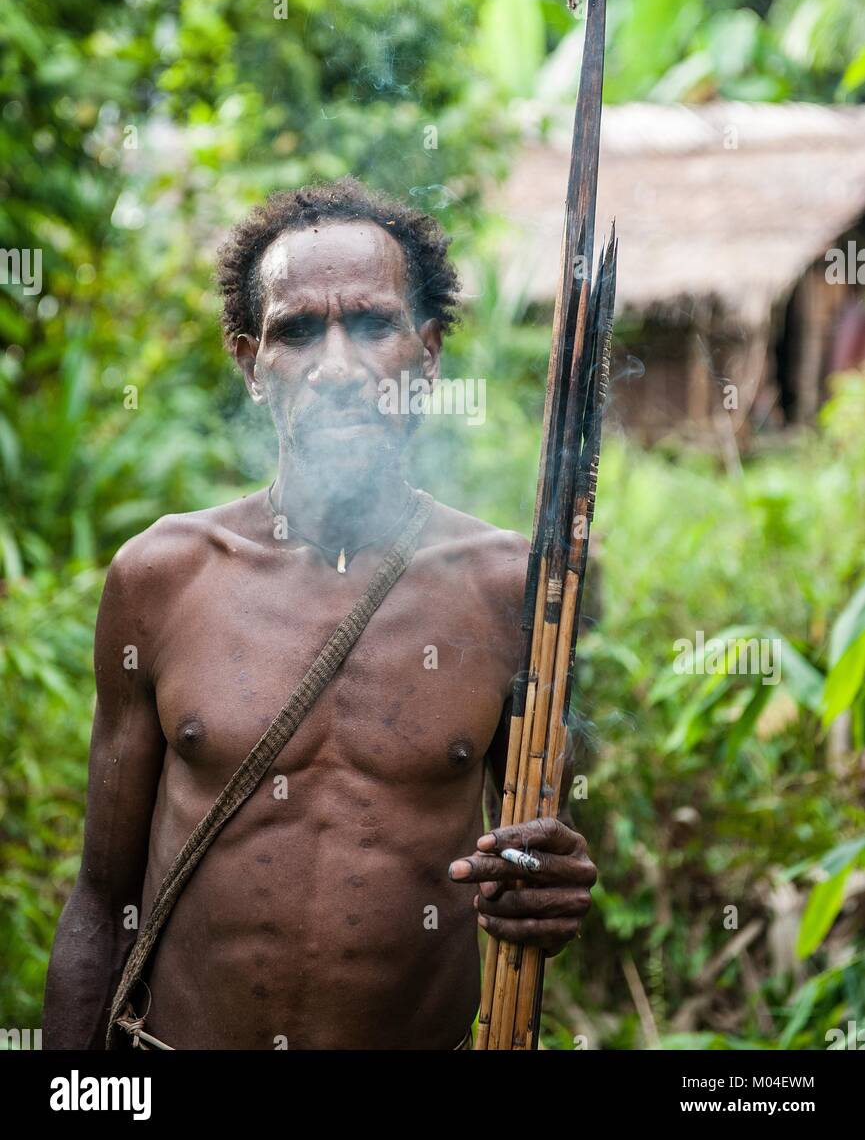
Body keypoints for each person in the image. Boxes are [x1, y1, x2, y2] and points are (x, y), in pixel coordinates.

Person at [43, 177, 596, 1050]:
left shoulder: (518, 590)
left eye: (371, 324)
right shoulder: (163, 578)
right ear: (250, 364)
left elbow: (553, 841)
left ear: (427, 352)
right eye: (297, 331)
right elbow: (100, 898)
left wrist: (551, 887)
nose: (336, 367)